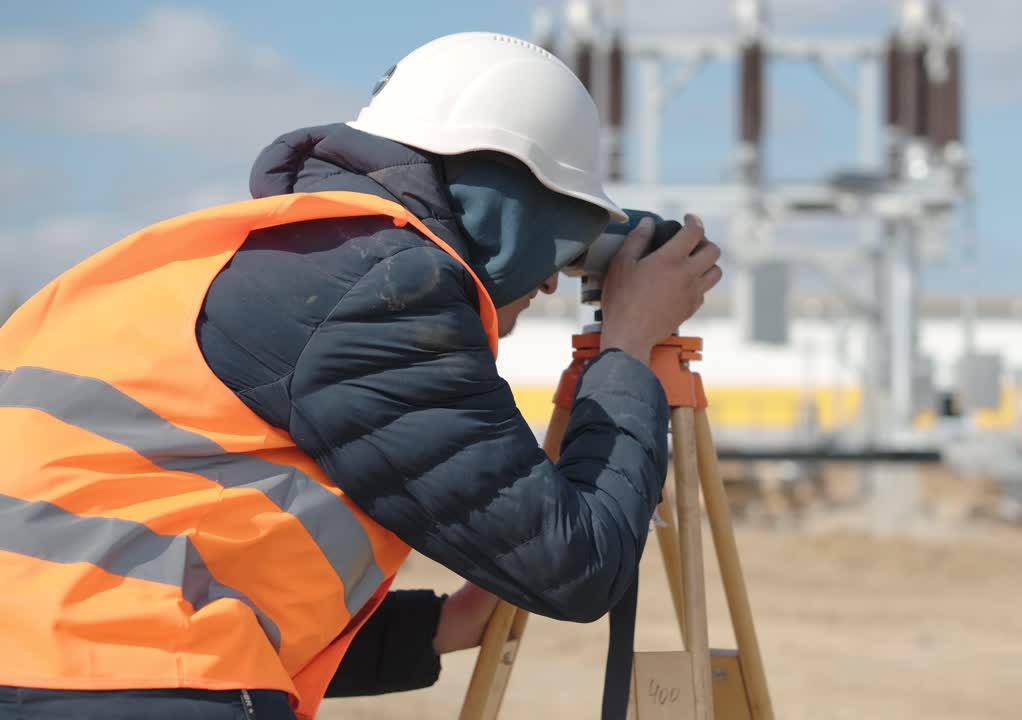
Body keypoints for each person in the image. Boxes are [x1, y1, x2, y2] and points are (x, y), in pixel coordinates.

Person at [0, 32, 721, 720]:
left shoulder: (242, 266)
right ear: (507, 208)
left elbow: (160, 571)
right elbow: (575, 564)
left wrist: (440, 627)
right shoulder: (378, 288)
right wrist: (627, 346)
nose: (552, 283)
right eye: (557, 242)